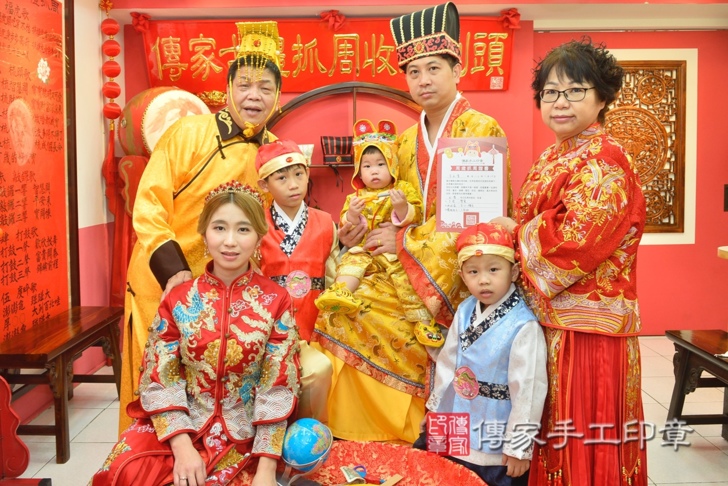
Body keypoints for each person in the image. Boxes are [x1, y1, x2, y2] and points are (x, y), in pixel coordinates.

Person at [313, 2, 509, 443]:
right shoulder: (402, 142)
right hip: (399, 265)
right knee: (341, 313)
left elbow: (487, 220)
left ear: (458, 69)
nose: (423, 80)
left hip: (461, 270)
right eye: (414, 71)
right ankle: (364, 434)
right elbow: (390, 209)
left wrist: (404, 240)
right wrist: (355, 232)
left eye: (434, 68)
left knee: (386, 320)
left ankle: (419, 433)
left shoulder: (482, 129)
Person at [491, 38, 648, 485]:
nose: (560, 102)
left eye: (575, 90)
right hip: (550, 318)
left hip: (587, 330)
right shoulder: (555, 155)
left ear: (602, 97)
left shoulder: (605, 159)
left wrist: (515, 232)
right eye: (551, 91)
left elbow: (576, 242)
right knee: (551, 429)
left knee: (579, 433)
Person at [119, 21, 284, 432]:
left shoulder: (272, 152)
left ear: (277, 96)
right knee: (156, 381)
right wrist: (173, 272)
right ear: (227, 89)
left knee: (218, 390)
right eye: (244, 85)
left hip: (226, 286)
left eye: (265, 87)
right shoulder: (188, 133)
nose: (254, 95)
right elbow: (149, 205)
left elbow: (268, 225)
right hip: (164, 279)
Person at [92, 181, 300, 486]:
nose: (230, 241)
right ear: (204, 233)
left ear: (258, 236)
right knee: (123, 472)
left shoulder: (277, 300)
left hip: (248, 431)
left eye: (243, 229)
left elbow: (278, 384)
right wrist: (182, 446)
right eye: (219, 228)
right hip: (180, 424)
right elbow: (159, 375)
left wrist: (266, 468)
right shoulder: (178, 299)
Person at [413, 222, 547, 486]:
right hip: (455, 418)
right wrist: (436, 412)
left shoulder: (523, 325)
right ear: (463, 277)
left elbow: (528, 391)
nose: (483, 280)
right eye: (473, 272)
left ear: (514, 272)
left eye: (493, 270)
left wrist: (519, 448)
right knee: (440, 476)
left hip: (493, 423)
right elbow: (448, 366)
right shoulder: (465, 310)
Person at [314, 119, 440, 346]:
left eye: (381, 164)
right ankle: (341, 292)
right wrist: (353, 215)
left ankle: (423, 322)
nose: (374, 171)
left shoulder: (401, 189)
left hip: (393, 252)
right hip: (363, 249)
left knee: (406, 280)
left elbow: (415, 214)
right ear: (358, 172)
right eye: (367, 166)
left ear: (392, 165)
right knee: (350, 263)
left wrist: (401, 207)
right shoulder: (355, 197)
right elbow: (346, 223)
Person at [255, 139, 337, 422]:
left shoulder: (325, 222)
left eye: (299, 174)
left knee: (320, 370)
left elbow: (333, 278)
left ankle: (313, 430)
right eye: (281, 178)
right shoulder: (255, 226)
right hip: (269, 328)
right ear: (264, 184)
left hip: (315, 327)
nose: (293, 185)